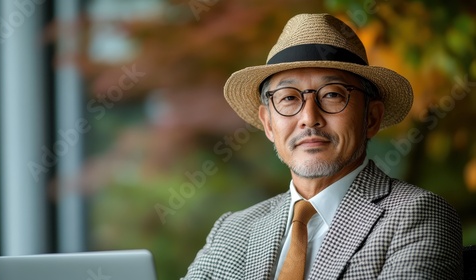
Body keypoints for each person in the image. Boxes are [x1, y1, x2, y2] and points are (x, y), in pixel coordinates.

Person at [183, 13, 463, 279]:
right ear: (268, 123)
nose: (309, 119)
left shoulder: (417, 214)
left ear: (371, 117)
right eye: (288, 98)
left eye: (331, 94)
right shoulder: (231, 231)